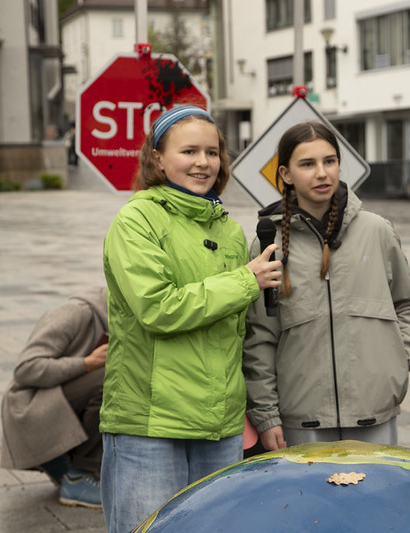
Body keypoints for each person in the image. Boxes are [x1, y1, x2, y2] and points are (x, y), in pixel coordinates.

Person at [100, 105, 282, 532]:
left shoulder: (229, 230)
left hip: (219, 425)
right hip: (150, 423)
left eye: (212, 152)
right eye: (189, 151)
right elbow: (157, 309)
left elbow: (240, 332)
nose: (203, 162)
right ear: (158, 158)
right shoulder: (136, 220)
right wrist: (245, 280)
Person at [243, 121, 410, 452]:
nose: (322, 173)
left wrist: (400, 358)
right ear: (285, 174)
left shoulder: (377, 231)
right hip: (300, 422)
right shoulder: (268, 244)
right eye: (307, 164)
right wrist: (267, 415)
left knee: (377, 501)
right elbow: (259, 335)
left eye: (329, 161)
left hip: (375, 414)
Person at [0, 287, 108, 509]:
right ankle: (79, 476)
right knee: (109, 380)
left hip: (58, 401)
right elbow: (25, 368)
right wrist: (86, 364)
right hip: (30, 407)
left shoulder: (120, 317)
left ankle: (69, 466)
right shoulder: (74, 312)